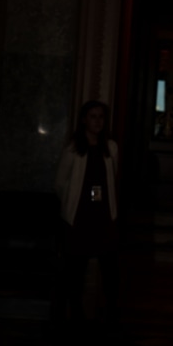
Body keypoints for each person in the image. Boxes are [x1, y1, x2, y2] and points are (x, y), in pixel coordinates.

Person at [55, 100, 120, 328]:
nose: (97, 121)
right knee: (75, 268)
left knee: (109, 267)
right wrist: (70, 205)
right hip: (80, 216)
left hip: (103, 216)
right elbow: (60, 183)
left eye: (100, 117)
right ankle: (75, 315)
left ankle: (110, 316)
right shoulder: (74, 149)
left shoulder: (110, 148)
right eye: (93, 117)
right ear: (84, 120)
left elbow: (113, 178)